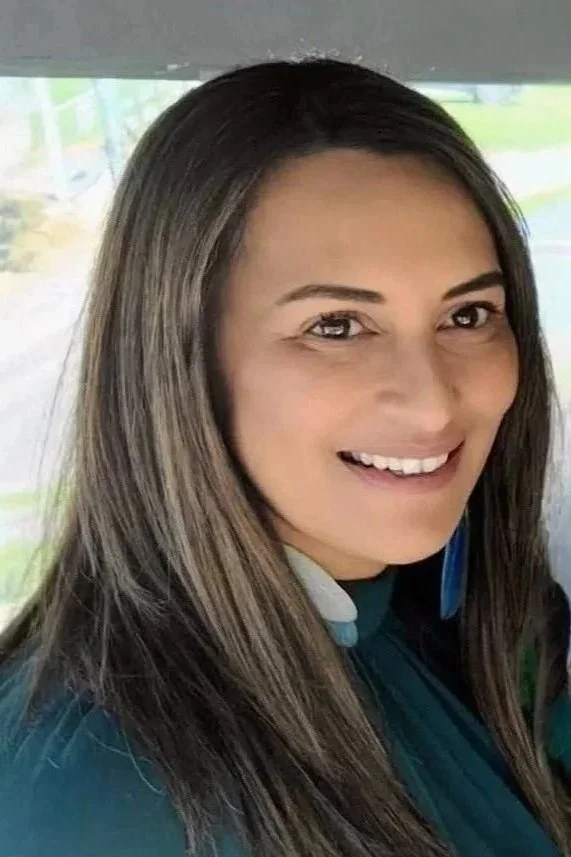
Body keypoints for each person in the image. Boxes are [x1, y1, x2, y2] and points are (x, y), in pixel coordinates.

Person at [0, 58, 570, 857]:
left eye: (468, 313)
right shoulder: (100, 795)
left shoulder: (466, 619)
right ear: (177, 359)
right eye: (335, 326)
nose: (433, 404)